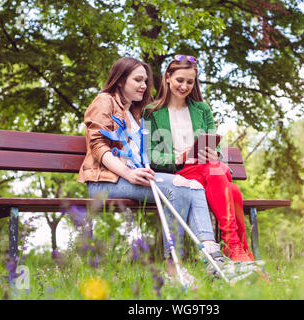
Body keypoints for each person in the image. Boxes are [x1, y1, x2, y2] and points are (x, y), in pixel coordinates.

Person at [77, 57, 248, 285]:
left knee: (193, 185)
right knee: (177, 186)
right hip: (106, 181)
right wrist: (130, 174)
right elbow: (98, 147)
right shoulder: (104, 101)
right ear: (120, 80)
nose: (144, 86)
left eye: (145, 81)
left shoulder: (133, 111)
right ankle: (172, 268)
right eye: (138, 80)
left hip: (134, 177)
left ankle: (212, 256)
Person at [144, 54, 254, 262]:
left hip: (207, 172)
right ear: (167, 77)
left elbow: (216, 147)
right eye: (179, 80)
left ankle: (235, 249)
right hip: (179, 174)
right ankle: (235, 247)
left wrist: (214, 153)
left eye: (189, 81)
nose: (184, 86)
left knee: (223, 179)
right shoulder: (152, 113)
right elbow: (150, 156)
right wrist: (181, 156)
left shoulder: (202, 110)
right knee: (232, 191)